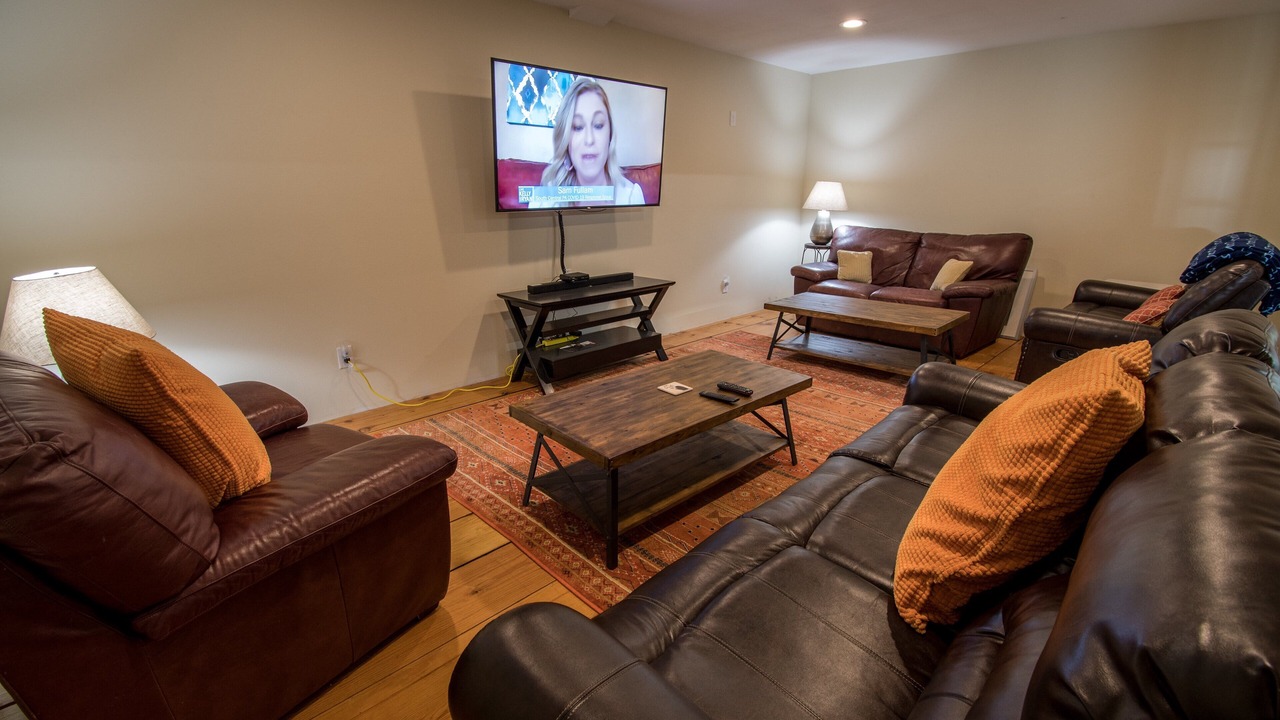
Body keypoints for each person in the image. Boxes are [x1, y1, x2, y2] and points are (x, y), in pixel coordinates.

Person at [527, 77, 645, 208]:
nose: (589, 140)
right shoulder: (541, 201)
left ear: (610, 134)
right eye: (578, 127)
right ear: (566, 140)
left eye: (598, 125)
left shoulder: (631, 197)